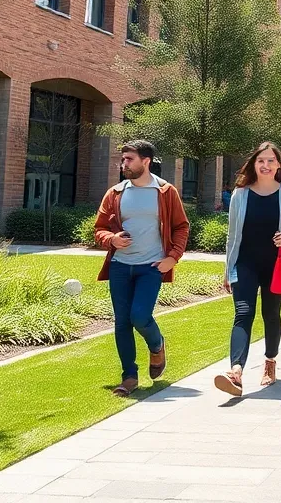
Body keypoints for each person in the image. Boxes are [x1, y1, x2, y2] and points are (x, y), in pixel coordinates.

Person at [93, 140, 189, 397]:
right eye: (123, 160)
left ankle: (157, 345)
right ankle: (129, 377)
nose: (123, 164)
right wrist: (111, 240)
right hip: (120, 267)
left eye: (129, 160)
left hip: (151, 267)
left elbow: (181, 226)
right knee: (122, 322)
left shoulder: (166, 191)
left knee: (139, 316)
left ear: (145, 161)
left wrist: (172, 258)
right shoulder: (115, 193)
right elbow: (99, 228)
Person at [214, 142, 281, 395]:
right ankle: (236, 372)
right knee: (243, 313)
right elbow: (233, 236)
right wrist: (228, 269)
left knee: (271, 314)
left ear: (278, 165)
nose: (265, 165)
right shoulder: (240, 194)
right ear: (254, 164)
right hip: (245, 263)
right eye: (260, 161)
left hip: (276, 265)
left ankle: (270, 361)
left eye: (270, 161)